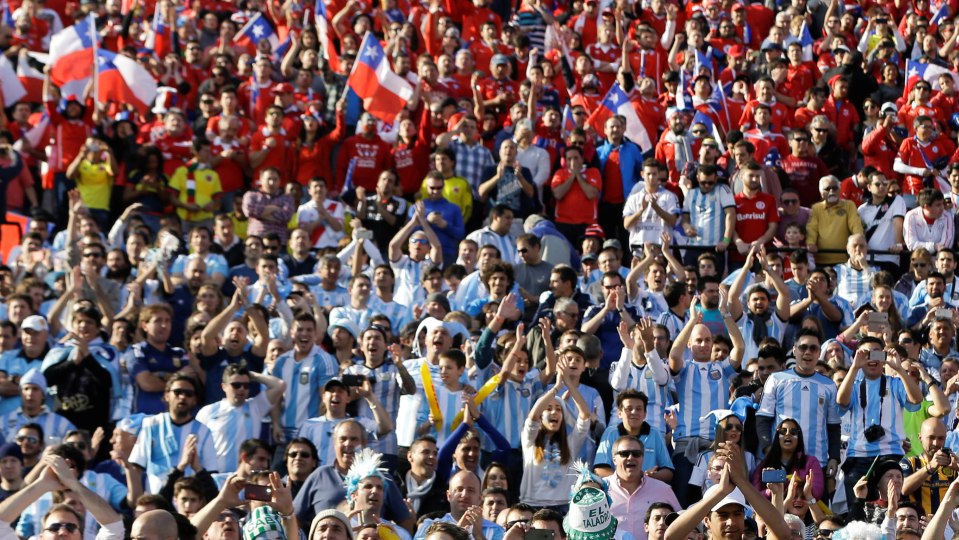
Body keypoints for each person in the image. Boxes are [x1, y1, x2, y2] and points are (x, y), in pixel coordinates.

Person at [836, 337, 924, 506]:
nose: (872, 359)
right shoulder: (854, 384)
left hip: (891, 455)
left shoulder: (895, 383)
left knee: (892, 508)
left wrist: (899, 369)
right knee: (858, 512)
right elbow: (841, 401)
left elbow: (916, 399)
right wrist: (854, 367)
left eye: (876, 353)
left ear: (883, 357)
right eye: (866, 354)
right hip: (859, 456)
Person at [756, 329, 841, 481]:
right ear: (794, 350)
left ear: (819, 353)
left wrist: (834, 457)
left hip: (817, 463)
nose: (808, 352)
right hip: (782, 462)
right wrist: (769, 450)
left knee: (815, 504)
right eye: (803, 347)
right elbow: (763, 418)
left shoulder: (829, 385)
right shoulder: (777, 379)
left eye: (813, 348)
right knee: (778, 504)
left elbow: (833, 426)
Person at [128, 373, 218, 493]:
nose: (182, 397)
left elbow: (211, 472)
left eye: (188, 394)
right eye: (177, 392)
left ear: (195, 400)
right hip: (157, 501)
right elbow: (137, 466)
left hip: (190, 503)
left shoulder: (204, 431)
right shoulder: (150, 425)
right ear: (166, 396)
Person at [195, 365, 285, 473]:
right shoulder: (208, 411)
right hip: (216, 476)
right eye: (236, 385)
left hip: (246, 477)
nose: (241, 389)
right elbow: (196, 445)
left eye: (246, 385)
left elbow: (280, 385)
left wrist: (253, 375)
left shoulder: (255, 407)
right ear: (224, 386)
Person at [606, 435, 679, 540]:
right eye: (624, 454)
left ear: (642, 458)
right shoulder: (601, 490)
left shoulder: (663, 490)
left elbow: (680, 524)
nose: (631, 457)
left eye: (636, 454)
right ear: (614, 460)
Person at [414, 470, 505, 540]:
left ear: (479, 498)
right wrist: (457, 530)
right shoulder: (428, 526)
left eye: (470, 490)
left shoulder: (496, 530)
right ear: (449, 495)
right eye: (459, 489)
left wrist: (479, 536)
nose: (464, 494)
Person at [900, 417, 959, 516]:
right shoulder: (909, 462)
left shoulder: (952, 465)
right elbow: (903, 489)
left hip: (947, 527)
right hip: (917, 526)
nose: (936, 443)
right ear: (920, 438)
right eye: (931, 437)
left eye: (941, 438)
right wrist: (930, 467)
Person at [806, 175, 865, 266]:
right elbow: (812, 229)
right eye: (827, 189)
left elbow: (855, 225)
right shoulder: (816, 208)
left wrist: (859, 241)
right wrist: (810, 243)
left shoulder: (849, 205)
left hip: (844, 260)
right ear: (821, 193)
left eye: (835, 188)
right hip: (820, 260)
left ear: (840, 189)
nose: (832, 191)